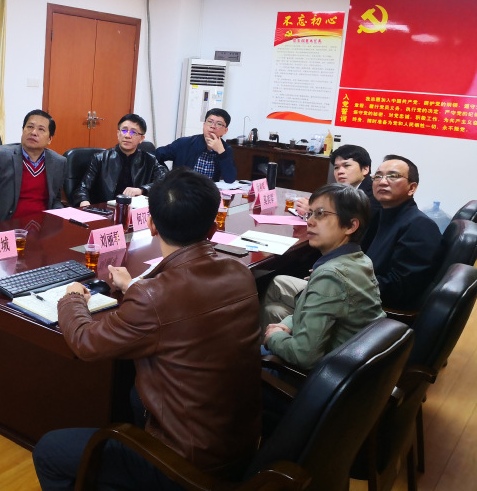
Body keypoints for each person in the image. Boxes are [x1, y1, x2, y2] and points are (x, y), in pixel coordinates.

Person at [33, 169, 261, 490]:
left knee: (49, 451)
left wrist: (72, 299)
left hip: (185, 465)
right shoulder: (240, 273)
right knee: (132, 392)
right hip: (240, 445)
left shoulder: (154, 296)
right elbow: (181, 307)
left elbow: (85, 342)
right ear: (213, 227)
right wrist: (136, 288)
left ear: (151, 224)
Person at [262, 184, 385, 369]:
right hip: (357, 360)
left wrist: (274, 337)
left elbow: (303, 356)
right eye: (310, 214)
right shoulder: (360, 258)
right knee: (274, 310)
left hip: (330, 373)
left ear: (351, 226)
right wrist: (285, 325)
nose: (310, 221)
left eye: (320, 214)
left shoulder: (331, 276)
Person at [361, 155, 442, 310]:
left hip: (375, 309)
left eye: (393, 176)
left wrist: (346, 282)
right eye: (378, 176)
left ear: (412, 188)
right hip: (363, 294)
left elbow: (399, 288)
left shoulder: (420, 226)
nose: (382, 182)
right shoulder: (381, 215)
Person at [0, 109, 66, 223]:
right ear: (23, 130)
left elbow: (55, 199)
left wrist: (60, 215)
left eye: (41, 129)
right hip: (6, 227)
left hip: (43, 226)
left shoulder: (58, 162)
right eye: (30, 127)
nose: (33, 132)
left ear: (50, 139)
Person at [73, 113, 167, 206]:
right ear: (118, 133)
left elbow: (165, 180)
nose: (127, 136)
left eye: (133, 132)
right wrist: (85, 203)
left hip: (135, 211)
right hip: (106, 210)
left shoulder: (150, 160)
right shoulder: (100, 158)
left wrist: (142, 189)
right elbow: (82, 188)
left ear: (141, 138)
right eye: (124, 130)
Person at [154, 108, 237, 183]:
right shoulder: (184, 143)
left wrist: (221, 152)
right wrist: (165, 175)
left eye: (218, 124)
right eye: (209, 122)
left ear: (225, 130)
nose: (212, 126)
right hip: (182, 190)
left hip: (208, 192)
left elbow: (230, 179)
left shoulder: (225, 149)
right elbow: (155, 155)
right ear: (204, 125)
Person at [295, 144, 379, 214]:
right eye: (336, 168)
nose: (340, 171)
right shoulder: (343, 191)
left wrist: (314, 210)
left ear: (365, 169)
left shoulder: (374, 193)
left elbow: (351, 220)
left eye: (346, 165)